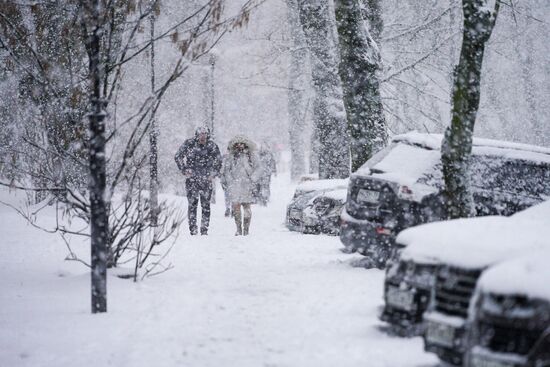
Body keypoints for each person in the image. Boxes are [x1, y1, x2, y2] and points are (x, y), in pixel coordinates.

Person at [174, 127, 222, 235]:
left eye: (205, 134)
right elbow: (178, 156)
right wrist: (184, 169)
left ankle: (204, 229)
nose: (203, 136)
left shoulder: (212, 146)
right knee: (192, 204)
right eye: (201, 134)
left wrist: (213, 174)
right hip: (192, 180)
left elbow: (219, 161)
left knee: (206, 206)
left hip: (206, 180)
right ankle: (193, 228)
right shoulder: (189, 144)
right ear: (197, 135)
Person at [222, 135, 261, 236]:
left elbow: (259, 168)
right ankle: (238, 228)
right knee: (236, 207)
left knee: (247, 207)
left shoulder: (251, 155)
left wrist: (252, 178)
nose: (239, 146)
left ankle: (246, 229)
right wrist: (230, 181)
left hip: (247, 185)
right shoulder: (231, 156)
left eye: (241, 143)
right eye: (237, 144)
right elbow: (227, 170)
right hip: (235, 185)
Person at [220, 147, 232, 217]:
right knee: (227, 195)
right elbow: (222, 170)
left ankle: (233, 208)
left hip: (234, 180)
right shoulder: (224, 158)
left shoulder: (236, 157)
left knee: (233, 195)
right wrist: (222, 180)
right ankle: (228, 208)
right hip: (227, 180)